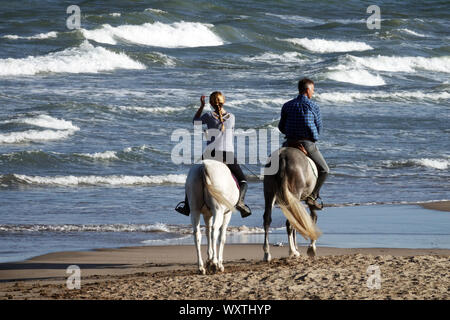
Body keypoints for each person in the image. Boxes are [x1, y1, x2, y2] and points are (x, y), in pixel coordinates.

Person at [175, 91, 252, 218]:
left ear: (210, 103)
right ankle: (241, 203)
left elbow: (195, 122)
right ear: (224, 101)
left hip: (210, 154)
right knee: (243, 181)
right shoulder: (232, 117)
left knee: (191, 178)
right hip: (227, 154)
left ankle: (187, 207)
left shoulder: (208, 116)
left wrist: (201, 106)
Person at [278, 78, 329, 210]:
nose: (313, 92)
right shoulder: (314, 106)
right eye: (313, 90)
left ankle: (275, 192)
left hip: (289, 143)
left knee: (273, 165)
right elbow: (318, 128)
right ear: (307, 90)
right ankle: (312, 196)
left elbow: (281, 127)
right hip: (306, 143)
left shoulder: (287, 105)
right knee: (324, 170)